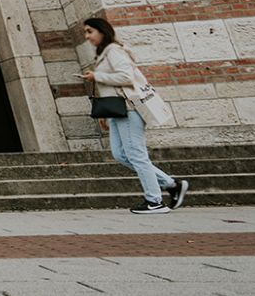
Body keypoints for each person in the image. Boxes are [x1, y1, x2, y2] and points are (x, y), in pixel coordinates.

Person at [80, 17, 188, 215]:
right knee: (120, 155)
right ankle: (171, 185)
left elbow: (126, 77)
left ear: (102, 31)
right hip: (116, 110)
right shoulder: (105, 53)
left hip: (128, 108)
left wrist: (97, 76)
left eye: (90, 31)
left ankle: (154, 201)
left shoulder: (114, 50)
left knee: (137, 155)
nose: (87, 36)